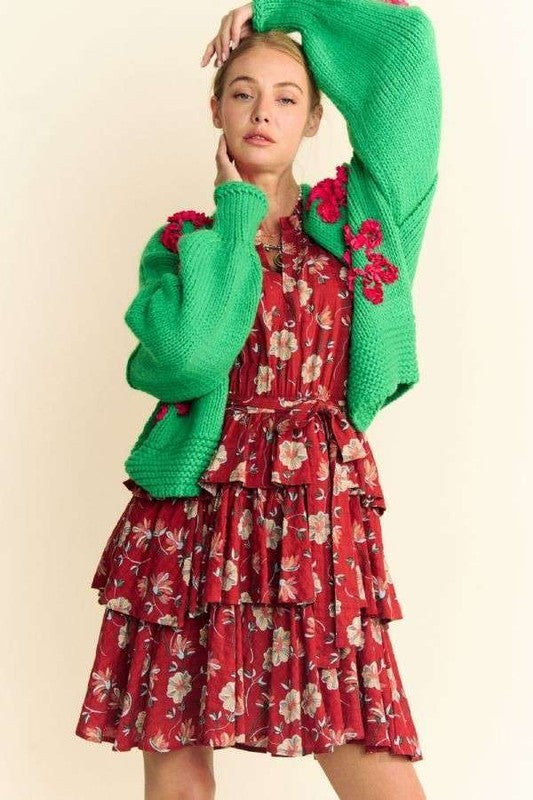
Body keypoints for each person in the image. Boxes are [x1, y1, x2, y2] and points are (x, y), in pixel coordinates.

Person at [75, 1, 441, 798]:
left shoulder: (358, 222)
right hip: (188, 520)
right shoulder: (183, 245)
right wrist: (237, 210)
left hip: (315, 518)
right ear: (216, 110)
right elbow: (188, 358)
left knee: (372, 761)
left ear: (315, 119)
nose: (262, 112)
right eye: (242, 93)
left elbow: (407, 52)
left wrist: (281, 7)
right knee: (179, 777)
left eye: (285, 97)